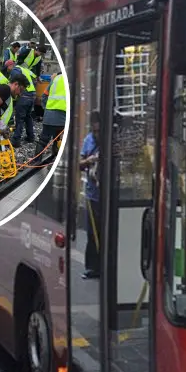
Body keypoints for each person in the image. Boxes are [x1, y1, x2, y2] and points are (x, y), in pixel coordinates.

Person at [79, 112, 101, 279]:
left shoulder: (109, 139)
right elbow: (79, 164)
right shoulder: (88, 140)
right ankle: (91, 267)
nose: (97, 134)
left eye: (99, 131)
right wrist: (90, 160)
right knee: (92, 233)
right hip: (92, 194)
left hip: (105, 195)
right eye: (95, 131)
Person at [36, 72, 68, 164]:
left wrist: (47, 110)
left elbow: (44, 96)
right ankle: (56, 157)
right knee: (59, 139)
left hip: (49, 116)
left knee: (43, 140)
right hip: (64, 117)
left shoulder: (56, 79)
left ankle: (36, 161)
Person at [7, 61, 37, 146]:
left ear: (11, 65)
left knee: (20, 118)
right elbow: (35, 79)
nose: (8, 70)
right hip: (32, 95)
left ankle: (16, 140)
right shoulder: (24, 69)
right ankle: (30, 136)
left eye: (7, 68)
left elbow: (15, 84)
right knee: (28, 117)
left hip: (24, 95)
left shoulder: (15, 70)